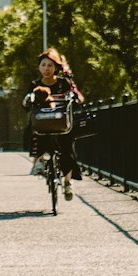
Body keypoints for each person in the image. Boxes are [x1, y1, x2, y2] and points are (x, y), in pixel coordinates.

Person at [23, 47, 84, 200]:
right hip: (43, 124)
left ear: (56, 67)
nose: (46, 69)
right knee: (39, 136)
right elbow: (27, 101)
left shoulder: (64, 83)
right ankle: (42, 161)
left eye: (50, 65)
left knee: (67, 149)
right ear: (39, 67)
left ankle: (68, 183)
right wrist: (26, 101)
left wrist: (76, 99)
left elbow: (78, 97)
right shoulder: (35, 84)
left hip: (62, 123)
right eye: (43, 65)